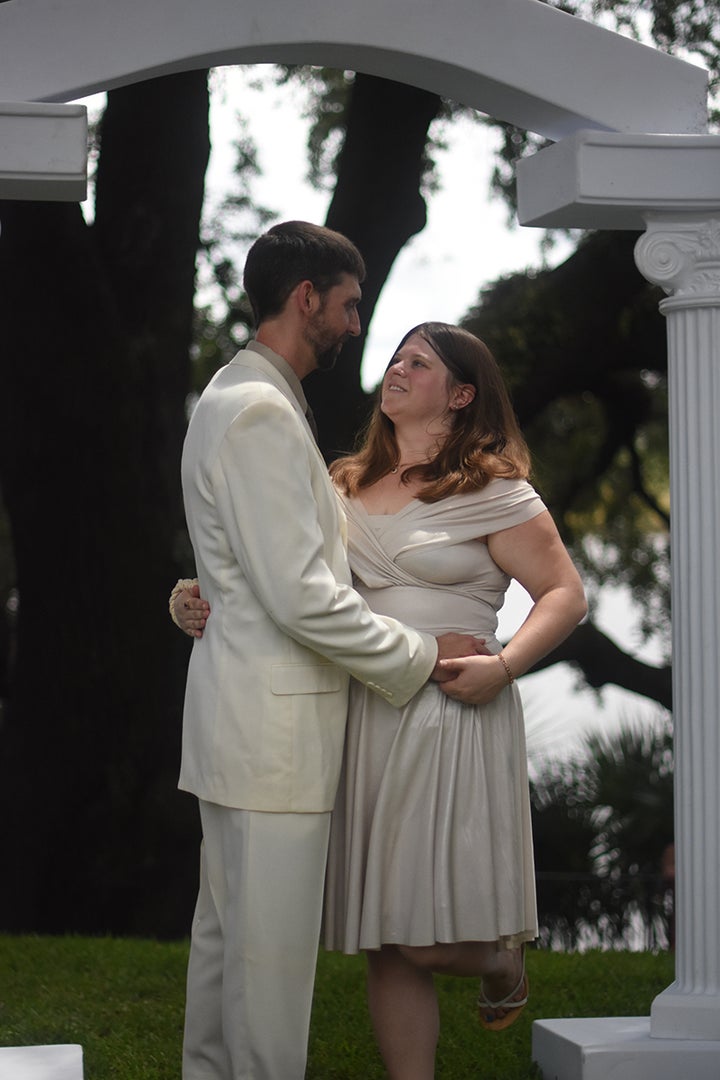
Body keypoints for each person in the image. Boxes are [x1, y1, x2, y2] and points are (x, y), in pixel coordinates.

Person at [175, 224, 482, 1080]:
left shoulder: (231, 393)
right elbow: (300, 593)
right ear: (306, 297)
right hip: (272, 733)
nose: (357, 326)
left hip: (238, 719)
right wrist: (421, 654)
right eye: (348, 306)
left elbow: (237, 562)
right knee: (267, 966)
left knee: (228, 942)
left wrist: (192, 594)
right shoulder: (262, 411)